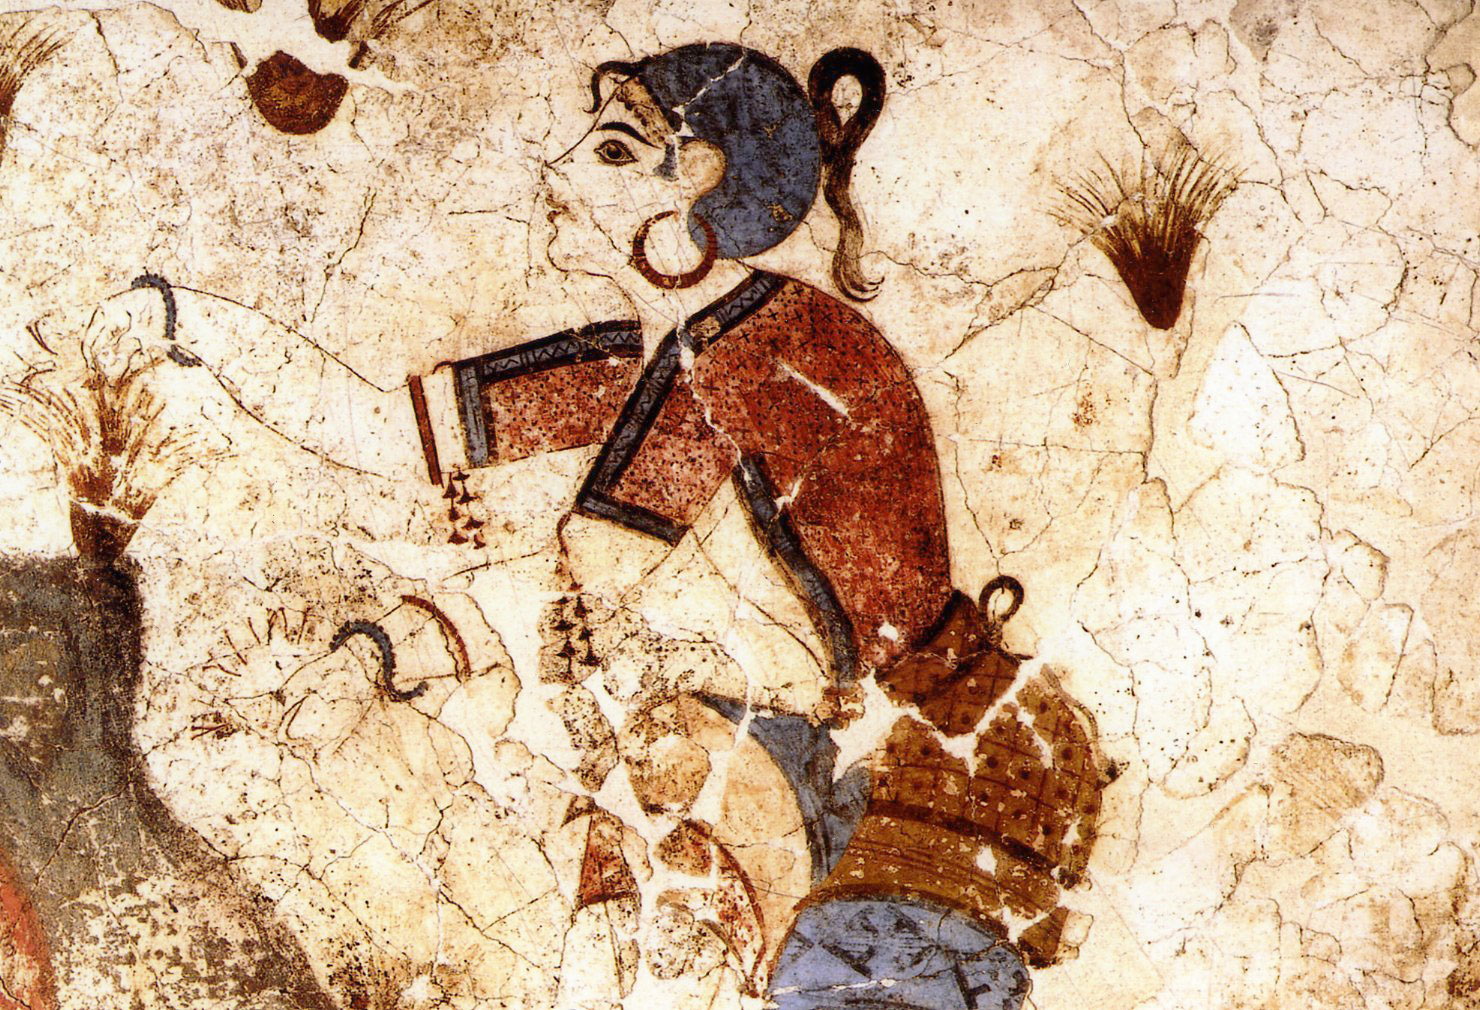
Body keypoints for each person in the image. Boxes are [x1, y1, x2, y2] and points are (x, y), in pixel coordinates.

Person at [110, 41, 1104, 1010]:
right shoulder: (656, 347)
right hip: (766, 753)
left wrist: (422, 610)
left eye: (612, 150)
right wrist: (179, 324)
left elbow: (583, 571)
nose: (557, 172)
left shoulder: (761, 349)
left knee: (622, 854)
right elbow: (384, 425)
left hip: (916, 800)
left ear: (695, 181)